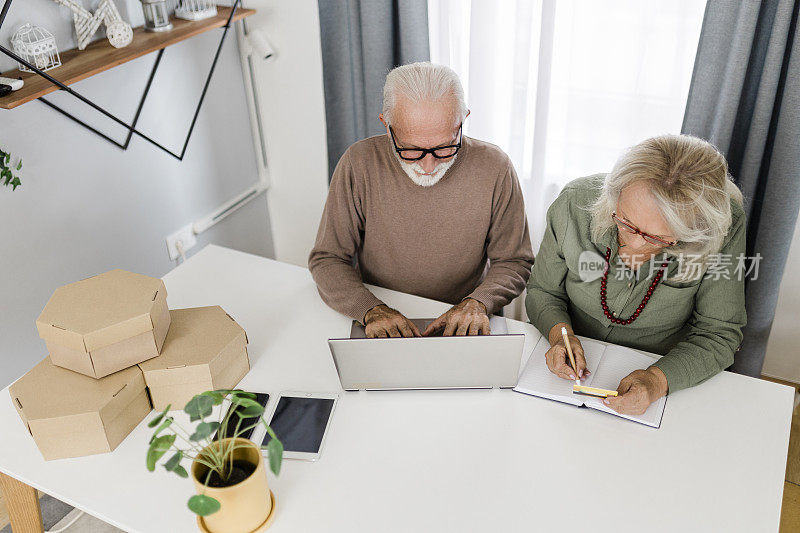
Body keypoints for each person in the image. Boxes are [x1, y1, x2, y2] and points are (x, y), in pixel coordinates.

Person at [309, 62, 534, 338]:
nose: (428, 166)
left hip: (464, 317)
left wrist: (479, 302)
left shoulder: (495, 166)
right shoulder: (358, 163)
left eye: (444, 148)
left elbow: (514, 261)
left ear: (462, 120)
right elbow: (327, 258)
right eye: (411, 150)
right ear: (386, 125)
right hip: (379, 311)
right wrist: (369, 309)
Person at [526, 134, 746, 415]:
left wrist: (656, 381)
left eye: (659, 238)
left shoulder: (721, 228)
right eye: (627, 224)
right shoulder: (574, 204)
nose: (638, 245)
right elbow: (543, 292)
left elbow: (718, 334)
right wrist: (560, 337)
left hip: (663, 375)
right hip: (563, 380)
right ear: (614, 196)